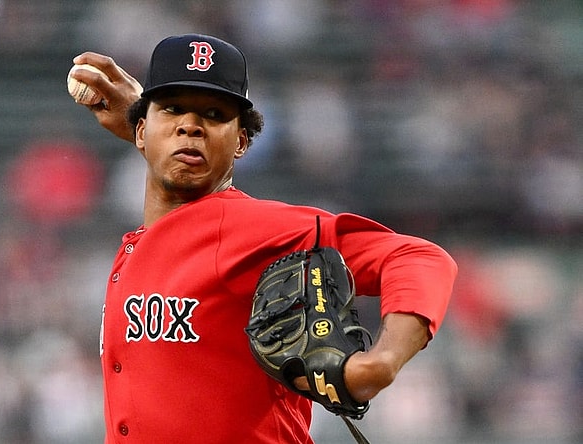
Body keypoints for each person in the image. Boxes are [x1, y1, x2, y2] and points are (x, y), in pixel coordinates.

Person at [69, 34, 457, 444]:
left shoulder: (251, 230)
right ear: (142, 131)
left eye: (215, 114)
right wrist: (148, 126)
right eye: (173, 108)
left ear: (241, 142)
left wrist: (380, 364)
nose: (190, 125)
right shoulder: (147, 238)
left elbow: (419, 258)